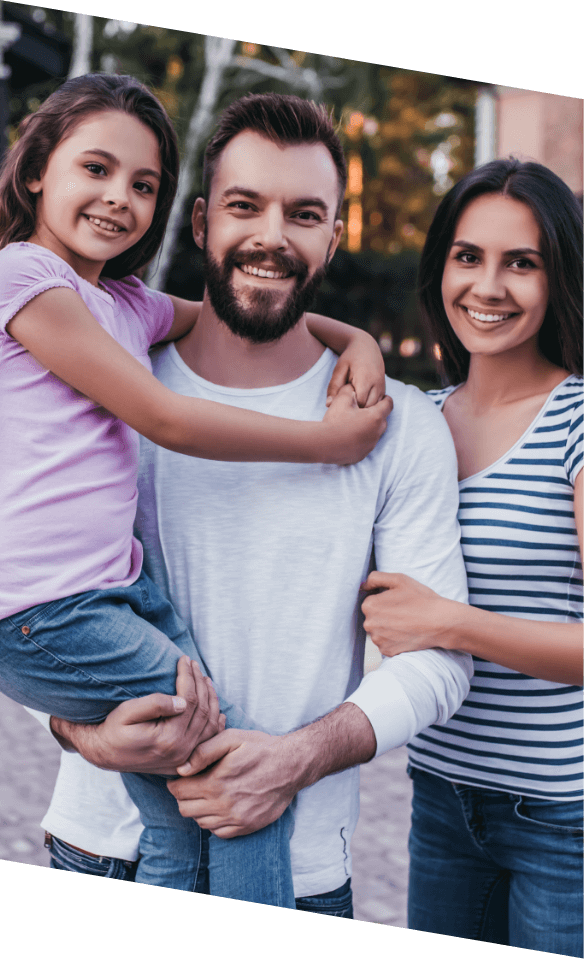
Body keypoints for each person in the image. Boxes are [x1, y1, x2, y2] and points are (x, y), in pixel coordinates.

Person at [32, 91, 473, 917]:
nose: (272, 236)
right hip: (100, 848)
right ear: (200, 221)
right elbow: (33, 604)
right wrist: (79, 732)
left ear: (334, 237)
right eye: (245, 206)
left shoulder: (398, 422)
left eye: (304, 213)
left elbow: (441, 661)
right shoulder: (109, 385)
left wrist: (296, 757)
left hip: (297, 874)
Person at [361, 159, 583, 954]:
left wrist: (448, 623)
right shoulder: (412, 420)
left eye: (521, 262)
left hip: (562, 817)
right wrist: (348, 337)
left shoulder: (575, 420)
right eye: (468, 256)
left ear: (559, 278)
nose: (487, 285)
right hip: (441, 796)